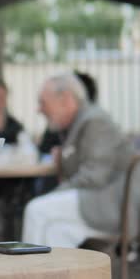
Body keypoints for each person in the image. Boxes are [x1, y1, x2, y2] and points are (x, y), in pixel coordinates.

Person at [21, 73, 137, 248]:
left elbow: (94, 178)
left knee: (36, 210)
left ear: (66, 99)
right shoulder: (81, 122)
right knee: (55, 231)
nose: (39, 109)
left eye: (43, 102)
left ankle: (28, 273)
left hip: (112, 207)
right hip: (99, 203)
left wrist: (54, 194)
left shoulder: (95, 121)